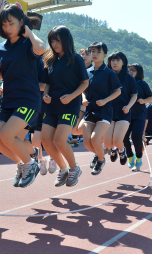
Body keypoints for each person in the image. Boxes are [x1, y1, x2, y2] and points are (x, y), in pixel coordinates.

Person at [0, 5, 45, 188]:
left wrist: (29, 33)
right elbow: (8, 75)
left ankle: (30, 164)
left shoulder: (29, 44)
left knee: (8, 135)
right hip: (9, 100)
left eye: (11, 23)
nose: (7, 28)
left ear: (21, 22)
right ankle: (22, 163)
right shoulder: (1, 48)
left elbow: (42, 48)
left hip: (28, 99)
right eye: (4, 24)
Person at [40, 26, 88, 187]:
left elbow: (84, 83)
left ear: (66, 41)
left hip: (69, 105)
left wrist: (71, 97)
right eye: (52, 41)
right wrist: (45, 95)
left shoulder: (75, 59)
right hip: (51, 106)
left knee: (59, 140)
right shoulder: (50, 60)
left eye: (58, 41)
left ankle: (74, 168)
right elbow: (47, 83)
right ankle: (63, 169)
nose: (54, 44)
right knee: (46, 141)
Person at [82, 42, 121, 175]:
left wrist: (105, 100)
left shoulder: (109, 73)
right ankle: (100, 154)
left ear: (104, 55)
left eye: (98, 52)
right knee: (87, 142)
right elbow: (83, 89)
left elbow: (118, 91)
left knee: (94, 139)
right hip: (90, 111)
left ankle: (100, 160)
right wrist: (83, 98)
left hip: (104, 112)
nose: (95, 54)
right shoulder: (87, 72)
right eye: (92, 51)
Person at [103, 51, 137, 166]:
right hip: (108, 112)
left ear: (123, 63)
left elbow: (134, 95)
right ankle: (113, 150)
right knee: (108, 142)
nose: (115, 63)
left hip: (123, 112)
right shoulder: (106, 76)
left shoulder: (129, 78)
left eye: (118, 60)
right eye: (112, 60)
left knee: (117, 141)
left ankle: (122, 152)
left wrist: (128, 106)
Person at [124, 63, 152, 172]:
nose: (130, 72)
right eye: (129, 70)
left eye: (133, 70)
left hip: (139, 115)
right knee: (124, 137)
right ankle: (130, 156)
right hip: (126, 115)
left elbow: (151, 97)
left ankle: (139, 158)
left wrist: (144, 101)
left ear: (139, 72)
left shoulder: (142, 84)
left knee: (136, 137)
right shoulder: (125, 82)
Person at [72, 48, 93, 136]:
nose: (84, 56)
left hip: (91, 102)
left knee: (81, 129)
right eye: (82, 54)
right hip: (78, 101)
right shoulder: (76, 67)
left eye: (87, 54)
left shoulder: (94, 69)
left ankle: (98, 135)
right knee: (74, 130)